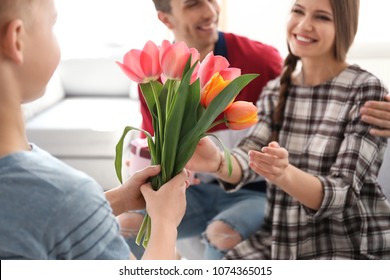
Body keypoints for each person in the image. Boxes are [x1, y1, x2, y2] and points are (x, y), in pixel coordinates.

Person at [186, 0, 390, 259]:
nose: (304, 25)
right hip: (283, 239)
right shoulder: (275, 90)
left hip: (345, 244)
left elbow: (344, 194)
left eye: (322, 17)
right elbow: (249, 154)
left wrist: (283, 174)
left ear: (344, 27)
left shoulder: (365, 90)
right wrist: (217, 161)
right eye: (298, 11)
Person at [0, 0, 189, 260]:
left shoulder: (58, 200)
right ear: (17, 39)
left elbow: (41, 221)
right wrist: (166, 223)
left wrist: (116, 201)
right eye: (52, 25)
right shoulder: (64, 195)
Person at [118, 0, 284, 260]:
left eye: (212, 0)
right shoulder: (154, 76)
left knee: (222, 234)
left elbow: (288, 132)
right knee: (126, 226)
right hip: (189, 190)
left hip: (252, 190)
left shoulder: (262, 60)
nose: (210, 11)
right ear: (166, 19)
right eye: (194, 4)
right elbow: (154, 146)